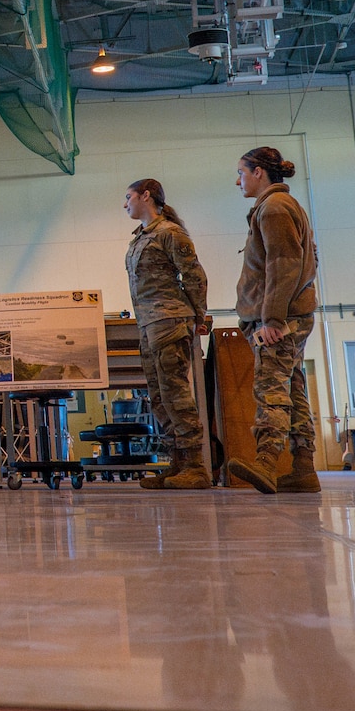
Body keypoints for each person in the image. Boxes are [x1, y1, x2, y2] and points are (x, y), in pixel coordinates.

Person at [226, 146, 322, 495]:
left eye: (241, 172)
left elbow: (284, 265)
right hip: (292, 315)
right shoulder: (282, 206)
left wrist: (272, 318)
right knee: (293, 389)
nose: (238, 180)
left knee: (271, 389)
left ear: (258, 172)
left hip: (280, 320)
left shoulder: (275, 208)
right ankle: (303, 468)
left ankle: (265, 463)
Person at [123, 178, 211, 490]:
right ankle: (177, 463)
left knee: (176, 394)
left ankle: (195, 466)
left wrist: (198, 316)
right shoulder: (141, 237)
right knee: (159, 396)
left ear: (145, 196)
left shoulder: (170, 233)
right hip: (149, 324)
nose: (125, 204)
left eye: (129, 197)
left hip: (170, 321)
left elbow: (194, 275)